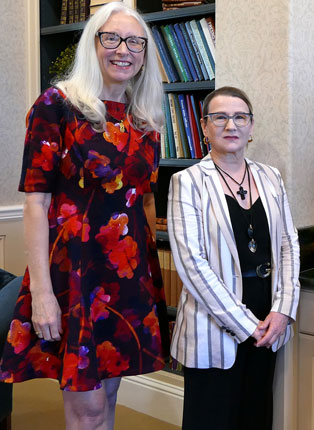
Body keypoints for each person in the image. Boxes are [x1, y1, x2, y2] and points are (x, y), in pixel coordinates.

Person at [0, 2, 167, 429]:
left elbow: (143, 202)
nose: (123, 49)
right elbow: (35, 203)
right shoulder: (57, 106)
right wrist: (41, 293)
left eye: (134, 41)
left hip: (127, 275)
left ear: (145, 53)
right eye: (111, 38)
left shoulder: (144, 121)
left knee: (108, 394)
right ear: (92, 44)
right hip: (73, 273)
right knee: (88, 407)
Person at [167, 86, 300, 429]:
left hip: (268, 323)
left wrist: (283, 309)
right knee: (211, 419)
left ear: (251, 126)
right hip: (214, 328)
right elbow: (192, 264)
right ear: (204, 127)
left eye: (240, 117)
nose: (231, 125)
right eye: (220, 117)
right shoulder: (187, 182)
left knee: (255, 418)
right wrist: (245, 325)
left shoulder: (271, 177)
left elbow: (288, 244)